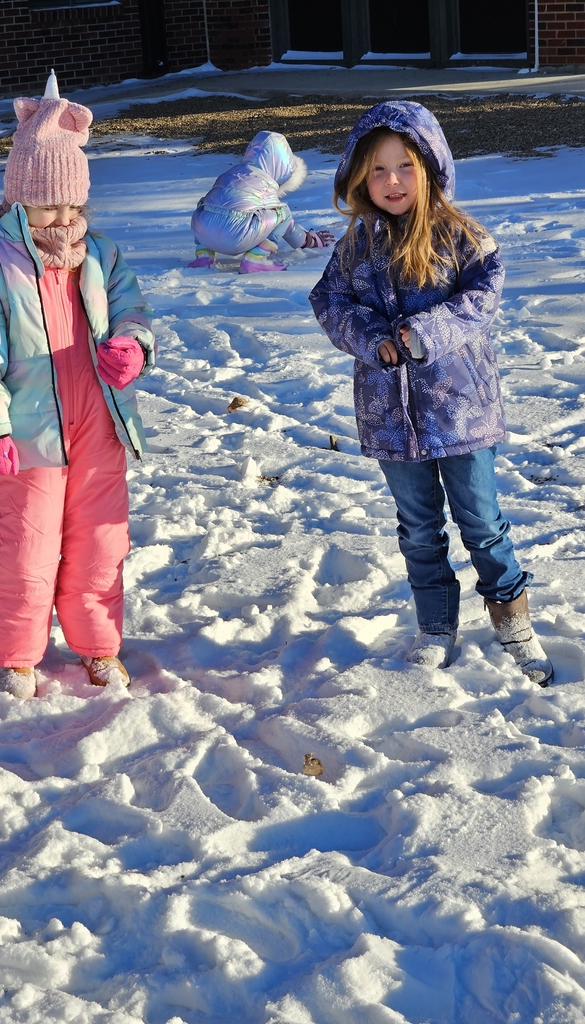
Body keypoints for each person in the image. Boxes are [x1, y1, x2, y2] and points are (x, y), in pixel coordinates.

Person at [310, 100, 552, 685]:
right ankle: (436, 626)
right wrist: (372, 339)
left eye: (405, 167)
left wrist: (427, 334)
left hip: (460, 409)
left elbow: (482, 297)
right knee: (418, 528)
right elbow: (330, 302)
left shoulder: (461, 235)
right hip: (391, 417)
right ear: (359, 178)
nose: (392, 181)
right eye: (378, 170)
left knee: (482, 521)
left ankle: (514, 622)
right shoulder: (356, 246)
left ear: (431, 167)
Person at [0, 71, 155, 697]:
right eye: (50, 205)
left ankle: (97, 645)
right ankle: (16, 655)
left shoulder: (102, 255)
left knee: (100, 540)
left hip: (100, 423)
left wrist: (131, 349)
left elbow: (132, 311)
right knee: (28, 545)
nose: (65, 218)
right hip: (27, 428)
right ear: (18, 199)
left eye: (75, 205)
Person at [188, 130, 334, 273]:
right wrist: (310, 240)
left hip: (204, 234)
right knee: (282, 212)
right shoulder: (265, 182)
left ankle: (203, 256)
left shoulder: (234, 173)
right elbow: (286, 224)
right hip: (236, 238)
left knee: (205, 205)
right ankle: (256, 259)